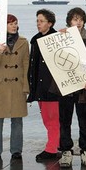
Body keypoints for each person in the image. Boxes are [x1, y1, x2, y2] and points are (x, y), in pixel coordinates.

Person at [57, 7, 86, 168]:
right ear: (69, 21)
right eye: (75, 19)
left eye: (81, 19)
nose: (78, 22)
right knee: (64, 121)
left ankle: (85, 151)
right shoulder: (61, 37)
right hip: (66, 87)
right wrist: (58, 36)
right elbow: (55, 59)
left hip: (84, 88)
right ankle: (66, 151)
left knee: (85, 121)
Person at [0, 14, 29, 160]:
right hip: (0, 86)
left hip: (17, 85)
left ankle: (16, 151)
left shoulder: (24, 42)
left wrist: (26, 87)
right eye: (10, 23)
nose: (14, 26)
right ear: (3, 26)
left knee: (17, 120)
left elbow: (26, 65)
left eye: (15, 23)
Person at [27, 9, 62, 162]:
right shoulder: (35, 40)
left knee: (52, 119)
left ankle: (51, 149)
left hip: (52, 87)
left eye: (41, 21)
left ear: (50, 23)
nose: (38, 24)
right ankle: (56, 145)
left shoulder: (57, 38)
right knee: (47, 119)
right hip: (39, 87)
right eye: (37, 21)